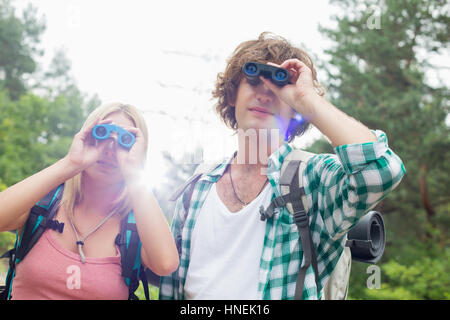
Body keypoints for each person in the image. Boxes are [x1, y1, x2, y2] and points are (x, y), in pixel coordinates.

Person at [159, 32, 405, 300]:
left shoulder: (311, 179)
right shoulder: (196, 189)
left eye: (277, 86)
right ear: (232, 96)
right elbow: (171, 289)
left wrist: (307, 99)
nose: (265, 95)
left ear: (294, 111)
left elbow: (381, 170)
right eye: (253, 81)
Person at [0, 102, 179, 299]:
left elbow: (166, 264)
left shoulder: (136, 227)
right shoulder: (44, 203)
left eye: (124, 141)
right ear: (86, 135)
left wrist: (134, 172)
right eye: (100, 133)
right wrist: (70, 163)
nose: (110, 150)